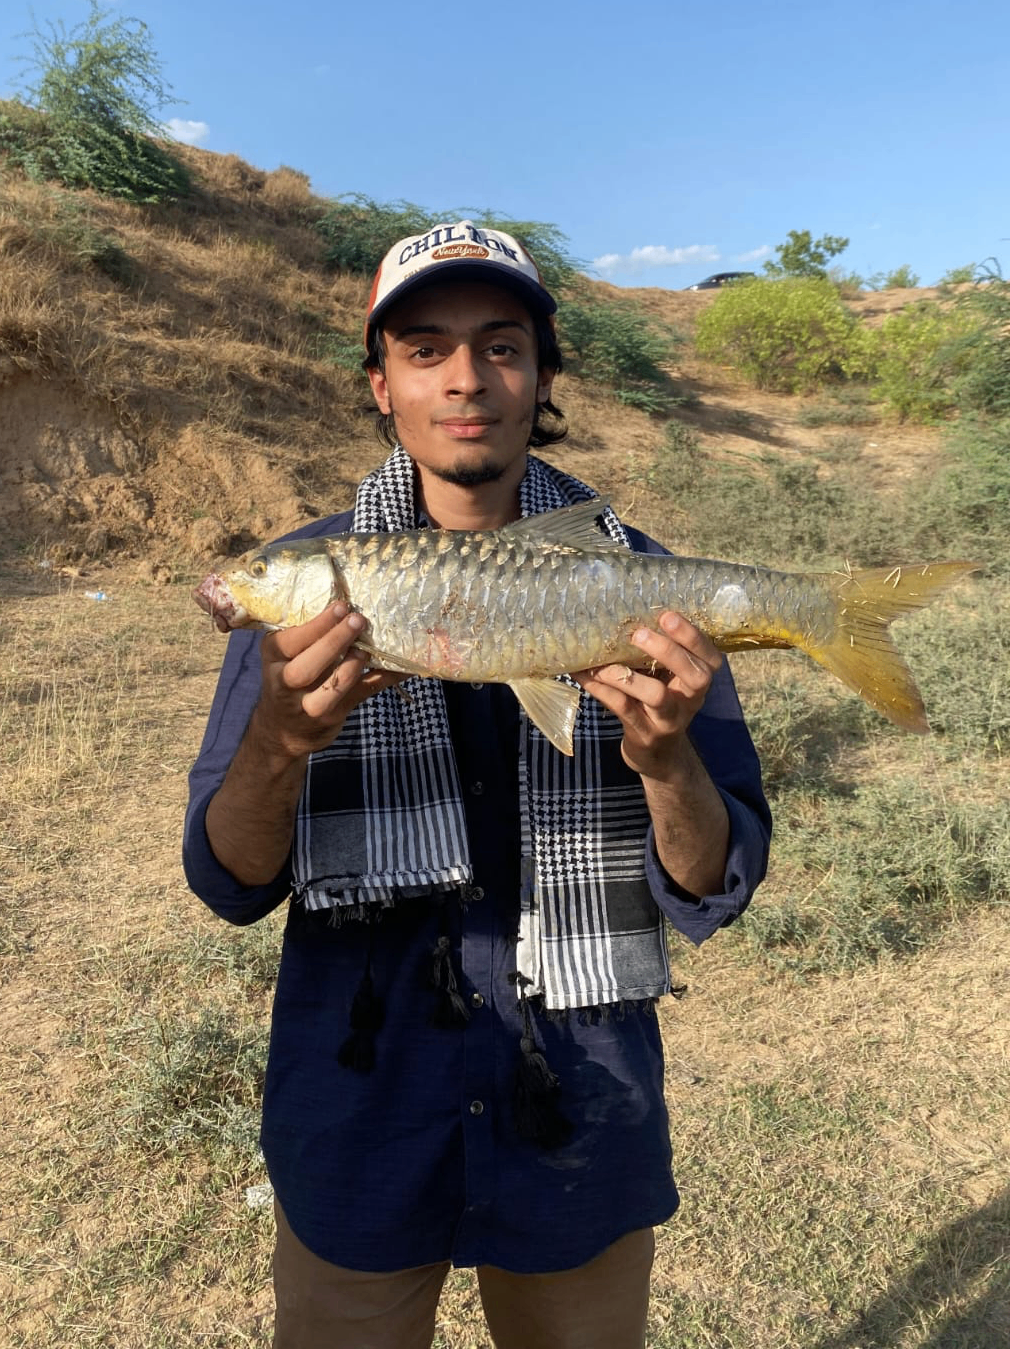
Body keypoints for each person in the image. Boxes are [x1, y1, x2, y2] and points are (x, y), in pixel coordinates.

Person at [184, 222, 771, 1349]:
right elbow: (228, 879)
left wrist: (666, 762)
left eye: (502, 347)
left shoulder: (638, 578)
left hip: (583, 1104)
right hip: (360, 1103)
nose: (465, 378)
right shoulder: (309, 593)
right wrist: (275, 743)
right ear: (381, 385)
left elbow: (714, 884)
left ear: (544, 376)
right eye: (424, 350)